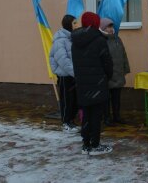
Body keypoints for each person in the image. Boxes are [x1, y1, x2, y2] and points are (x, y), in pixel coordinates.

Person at [71, 12, 113, 155]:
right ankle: (95, 145)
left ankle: (86, 144)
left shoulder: (75, 41)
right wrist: (107, 77)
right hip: (97, 84)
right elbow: (107, 63)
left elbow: (76, 64)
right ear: (95, 23)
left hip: (82, 85)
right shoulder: (99, 40)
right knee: (96, 116)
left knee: (86, 116)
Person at [49, 14, 80, 133]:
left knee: (74, 100)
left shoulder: (71, 39)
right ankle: (66, 122)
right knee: (67, 100)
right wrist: (76, 72)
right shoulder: (60, 41)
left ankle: (71, 120)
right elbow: (63, 61)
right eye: (74, 23)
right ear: (68, 25)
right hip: (65, 76)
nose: (77, 25)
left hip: (72, 75)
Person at [99, 18, 130, 126]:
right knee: (106, 99)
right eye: (109, 27)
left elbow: (123, 54)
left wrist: (126, 68)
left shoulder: (117, 39)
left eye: (112, 27)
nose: (111, 29)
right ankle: (106, 118)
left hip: (118, 73)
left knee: (116, 98)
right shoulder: (101, 40)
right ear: (103, 28)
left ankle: (117, 116)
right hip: (107, 75)